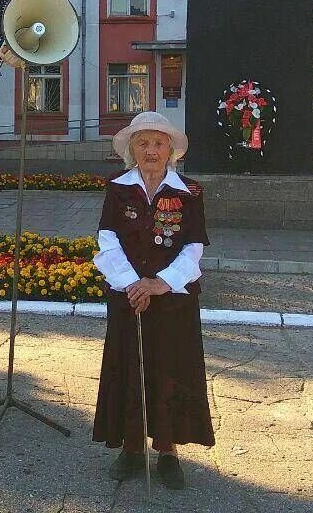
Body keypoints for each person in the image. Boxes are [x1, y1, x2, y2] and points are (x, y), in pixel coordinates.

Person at [92, 111, 214, 489]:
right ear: (131, 149)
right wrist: (133, 284)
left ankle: (168, 450)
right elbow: (107, 241)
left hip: (172, 299)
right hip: (129, 297)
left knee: (170, 371)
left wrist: (159, 283)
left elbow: (194, 247)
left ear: (171, 150)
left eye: (158, 143)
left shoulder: (188, 192)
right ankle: (130, 448)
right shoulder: (117, 187)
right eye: (143, 143)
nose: (151, 150)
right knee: (128, 368)